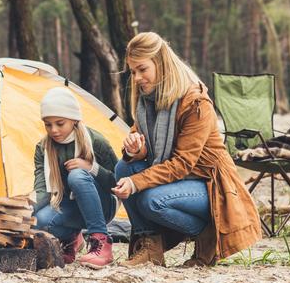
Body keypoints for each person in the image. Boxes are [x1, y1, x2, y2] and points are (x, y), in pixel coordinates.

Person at [112, 32, 262, 267]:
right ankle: (150, 247)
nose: (137, 77)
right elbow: (140, 143)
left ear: (160, 63)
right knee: (124, 167)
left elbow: (182, 164)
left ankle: (208, 232)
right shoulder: (147, 100)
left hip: (210, 185)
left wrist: (136, 182)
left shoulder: (195, 102)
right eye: (133, 72)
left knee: (151, 200)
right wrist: (136, 150)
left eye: (142, 69)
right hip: (176, 180)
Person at [32, 87, 119, 267]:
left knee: (77, 176)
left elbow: (117, 183)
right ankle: (71, 240)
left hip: (102, 205)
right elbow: (43, 189)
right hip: (68, 205)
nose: (54, 130)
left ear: (74, 120)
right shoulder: (43, 148)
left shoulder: (96, 141)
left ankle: (101, 240)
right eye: (48, 124)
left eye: (60, 123)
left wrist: (92, 168)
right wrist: (26, 208)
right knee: (40, 222)